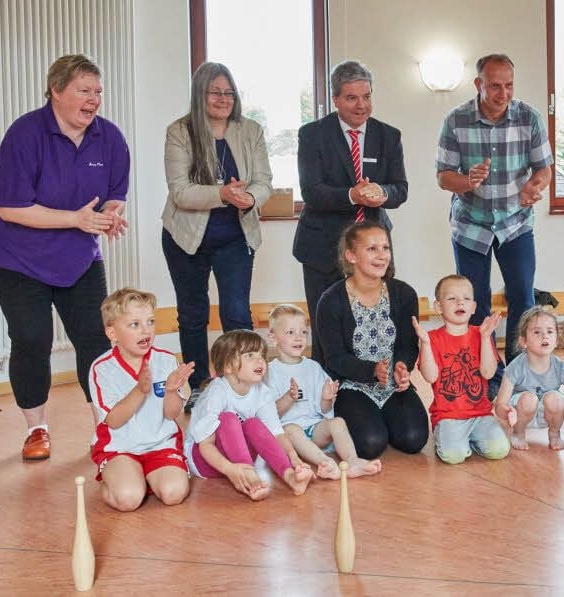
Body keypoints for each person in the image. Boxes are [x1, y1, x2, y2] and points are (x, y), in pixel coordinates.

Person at [0, 54, 130, 461]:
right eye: (84, 91)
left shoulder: (111, 138)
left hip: (79, 257)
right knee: (32, 338)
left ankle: (105, 424)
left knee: (95, 340)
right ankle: (37, 429)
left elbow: (115, 195)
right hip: (17, 257)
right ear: (56, 91)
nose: (93, 100)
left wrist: (110, 218)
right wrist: (78, 219)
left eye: (98, 92)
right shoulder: (25, 134)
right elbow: (10, 208)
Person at [162, 62, 272, 410]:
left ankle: (239, 386)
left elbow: (264, 181)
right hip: (186, 237)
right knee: (192, 314)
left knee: (236, 313)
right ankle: (197, 386)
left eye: (229, 93)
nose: (223, 99)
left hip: (235, 236)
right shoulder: (180, 131)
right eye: (215, 92)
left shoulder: (250, 130)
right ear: (200, 95)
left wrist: (250, 198)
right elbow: (180, 192)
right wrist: (223, 194)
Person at [436, 53, 553, 373]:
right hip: (470, 225)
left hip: (515, 223)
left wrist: (534, 186)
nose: (503, 94)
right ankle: (483, 371)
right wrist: (467, 181)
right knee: (474, 304)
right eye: (495, 86)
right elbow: (444, 176)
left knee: (523, 299)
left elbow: (544, 169)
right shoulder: (456, 120)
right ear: (478, 85)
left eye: (509, 86)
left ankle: (517, 370)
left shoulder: (529, 118)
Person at [294, 60, 408, 368]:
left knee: (377, 324)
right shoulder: (312, 135)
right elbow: (312, 192)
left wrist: (383, 194)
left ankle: (373, 385)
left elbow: (401, 189)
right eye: (352, 98)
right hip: (322, 247)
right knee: (326, 328)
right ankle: (326, 397)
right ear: (335, 99)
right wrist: (351, 195)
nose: (361, 105)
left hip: (373, 246)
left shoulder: (389, 136)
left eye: (367, 96)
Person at [314, 221, 428, 459]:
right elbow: (334, 358)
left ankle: (385, 417)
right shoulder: (331, 300)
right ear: (351, 255)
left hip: (393, 385)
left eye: (385, 248)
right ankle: (370, 420)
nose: (382, 256)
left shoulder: (404, 294)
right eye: (372, 249)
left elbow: (408, 345)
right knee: (371, 444)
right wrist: (372, 370)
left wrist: (402, 367)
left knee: (414, 440)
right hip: (353, 385)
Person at [88, 288, 195, 511]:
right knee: (128, 500)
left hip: (160, 444)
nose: (146, 330)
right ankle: (120, 478)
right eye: (134, 324)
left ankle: (143, 475)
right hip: (119, 448)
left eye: (150, 322)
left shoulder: (165, 360)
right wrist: (140, 390)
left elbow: (171, 414)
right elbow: (114, 421)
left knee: (173, 494)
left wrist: (171, 391)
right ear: (112, 334)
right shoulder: (101, 368)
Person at [184, 330, 313, 501]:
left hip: (240, 459)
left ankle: (289, 476)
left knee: (253, 423)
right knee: (228, 419)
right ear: (228, 366)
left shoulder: (263, 392)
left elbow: (276, 433)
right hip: (205, 459)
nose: (260, 360)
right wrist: (231, 470)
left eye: (261, 354)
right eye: (250, 355)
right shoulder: (217, 391)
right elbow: (205, 445)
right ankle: (249, 478)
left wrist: (294, 458)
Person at [264, 304, 383, 478]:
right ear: (273, 338)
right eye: (290, 332)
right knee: (292, 429)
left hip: (314, 429)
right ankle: (326, 463)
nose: (299, 338)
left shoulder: (313, 367)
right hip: (288, 434)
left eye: (303, 332)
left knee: (337, 422)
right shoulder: (269, 372)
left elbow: (324, 410)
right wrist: (289, 398)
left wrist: (327, 398)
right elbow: (270, 414)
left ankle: (352, 461)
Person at [413, 275, 509, 464]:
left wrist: (485, 337)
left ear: (473, 307)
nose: (460, 302)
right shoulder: (432, 338)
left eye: (466, 298)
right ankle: (454, 439)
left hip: (481, 414)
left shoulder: (480, 334)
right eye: (451, 298)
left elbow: (489, 373)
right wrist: (424, 344)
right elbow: (431, 377)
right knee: (453, 456)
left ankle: (470, 440)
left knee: (500, 450)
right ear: (438, 306)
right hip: (448, 416)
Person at [494, 307, 564, 451]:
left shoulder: (560, 367)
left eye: (550, 331)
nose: (545, 336)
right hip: (521, 413)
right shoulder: (516, 367)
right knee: (528, 398)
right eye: (537, 332)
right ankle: (518, 434)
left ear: (556, 340)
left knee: (555, 398)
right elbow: (500, 404)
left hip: (546, 413)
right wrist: (507, 412)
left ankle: (554, 433)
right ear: (523, 341)